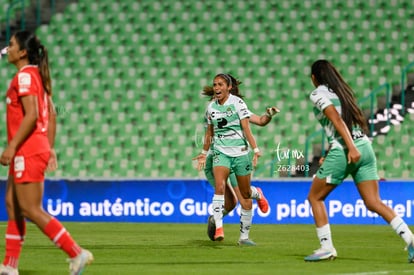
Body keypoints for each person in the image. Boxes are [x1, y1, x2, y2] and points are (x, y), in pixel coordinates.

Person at [0, 30, 93, 274]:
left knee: (31, 208)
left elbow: (32, 115)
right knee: (12, 203)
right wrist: (48, 147)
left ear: (22, 52)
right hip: (33, 147)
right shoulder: (36, 77)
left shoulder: (24, 77)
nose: (7, 48)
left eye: (11, 45)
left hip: (27, 149)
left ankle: (76, 252)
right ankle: (10, 265)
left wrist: (11, 146)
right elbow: (50, 115)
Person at [305, 59, 414, 262]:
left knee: (315, 198)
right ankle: (411, 239)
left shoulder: (317, 93)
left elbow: (336, 121)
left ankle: (326, 247)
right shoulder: (341, 92)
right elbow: (343, 122)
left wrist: (350, 149)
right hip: (364, 146)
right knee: (374, 202)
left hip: (348, 149)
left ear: (314, 78)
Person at [195, 75, 279, 244]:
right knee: (223, 192)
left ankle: (243, 236)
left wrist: (268, 115)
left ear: (229, 87)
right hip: (219, 155)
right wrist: (204, 153)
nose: (217, 89)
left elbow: (260, 122)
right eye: (215, 86)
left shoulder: (238, 106)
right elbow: (209, 133)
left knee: (244, 198)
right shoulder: (211, 108)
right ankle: (218, 224)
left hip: (239, 155)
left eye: (220, 85)